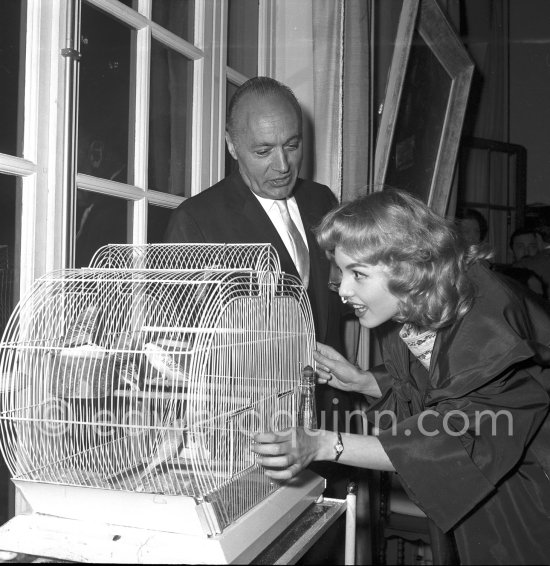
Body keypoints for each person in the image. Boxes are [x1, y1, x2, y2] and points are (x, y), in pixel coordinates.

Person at [252, 188, 550, 565]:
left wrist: (324, 444)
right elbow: (440, 388)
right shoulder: (420, 306)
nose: (343, 290)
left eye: (358, 274)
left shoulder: (485, 319)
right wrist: (364, 381)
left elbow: (457, 437)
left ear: (409, 267)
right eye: (342, 272)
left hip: (530, 495)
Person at [164, 77, 355, 497]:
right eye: (263, 151)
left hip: (331, 419)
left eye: (292, 144)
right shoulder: (196, 221)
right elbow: (190, 355)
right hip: (255, 436)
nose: (283, 165)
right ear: (232, 146)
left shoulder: (322, 200)